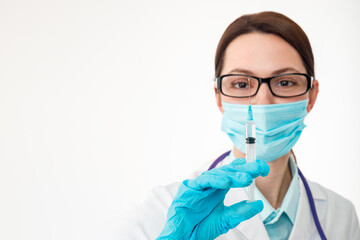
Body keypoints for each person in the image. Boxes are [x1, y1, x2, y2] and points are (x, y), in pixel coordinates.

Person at [125, 11, 360, 239]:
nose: (263, 102)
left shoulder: (341, 217)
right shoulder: (164, 211)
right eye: (241, 84)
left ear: (312, 96)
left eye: (285, 82)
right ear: (218, 97)